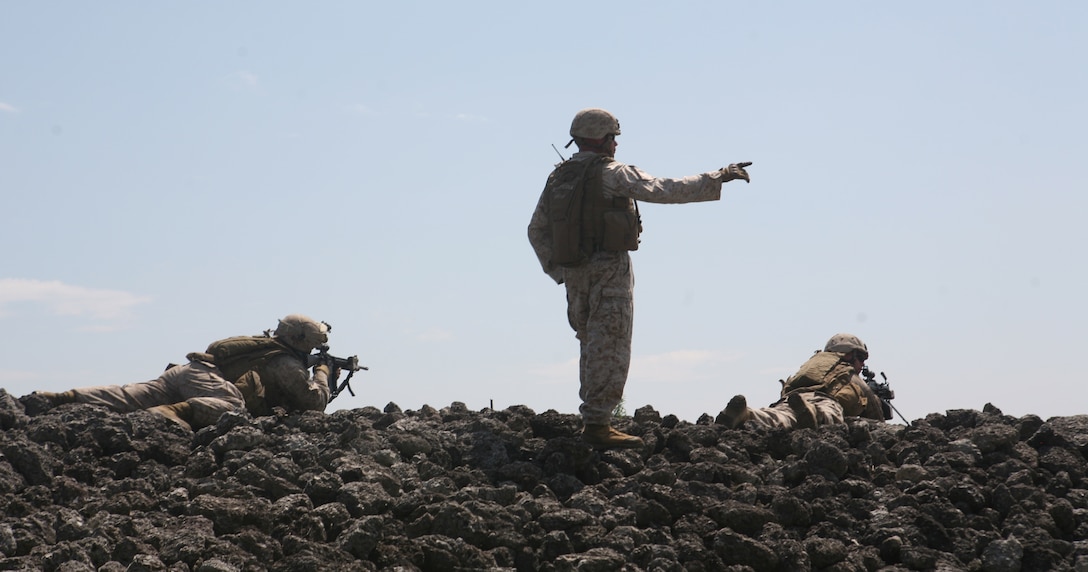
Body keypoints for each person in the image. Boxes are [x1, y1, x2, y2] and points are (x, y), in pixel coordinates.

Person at [528, 107, 753, 449]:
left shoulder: (558, 177)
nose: (616, 145)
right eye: (613, 138)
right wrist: (717, 177)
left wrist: (560, 271)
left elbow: (536, 230)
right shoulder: (612, 173)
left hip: (575, 276)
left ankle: (594, 421)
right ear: (603, 139)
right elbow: (663, 188)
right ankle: (598, 427)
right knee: (611, 345)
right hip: (609, 272)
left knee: (590, 345)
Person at [19, 314, 337, 430]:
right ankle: (166, 415)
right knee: (234, 407)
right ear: (303, 342)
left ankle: (59, 398)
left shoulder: (263, 347)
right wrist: (323, 372)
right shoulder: (286, 363)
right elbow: (313, 402)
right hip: (208, 384)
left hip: (189, 371)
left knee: (128, 395)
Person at [716, 333, 889, 430]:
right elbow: (876, 416)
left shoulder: (812, 366)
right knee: (828, 415)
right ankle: (812, 414)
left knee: (781, 416)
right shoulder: (848, 373)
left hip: (793, 398)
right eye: (860, 358)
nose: (862, 364)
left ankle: (747, 414)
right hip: (825, 401)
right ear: (849, 355)